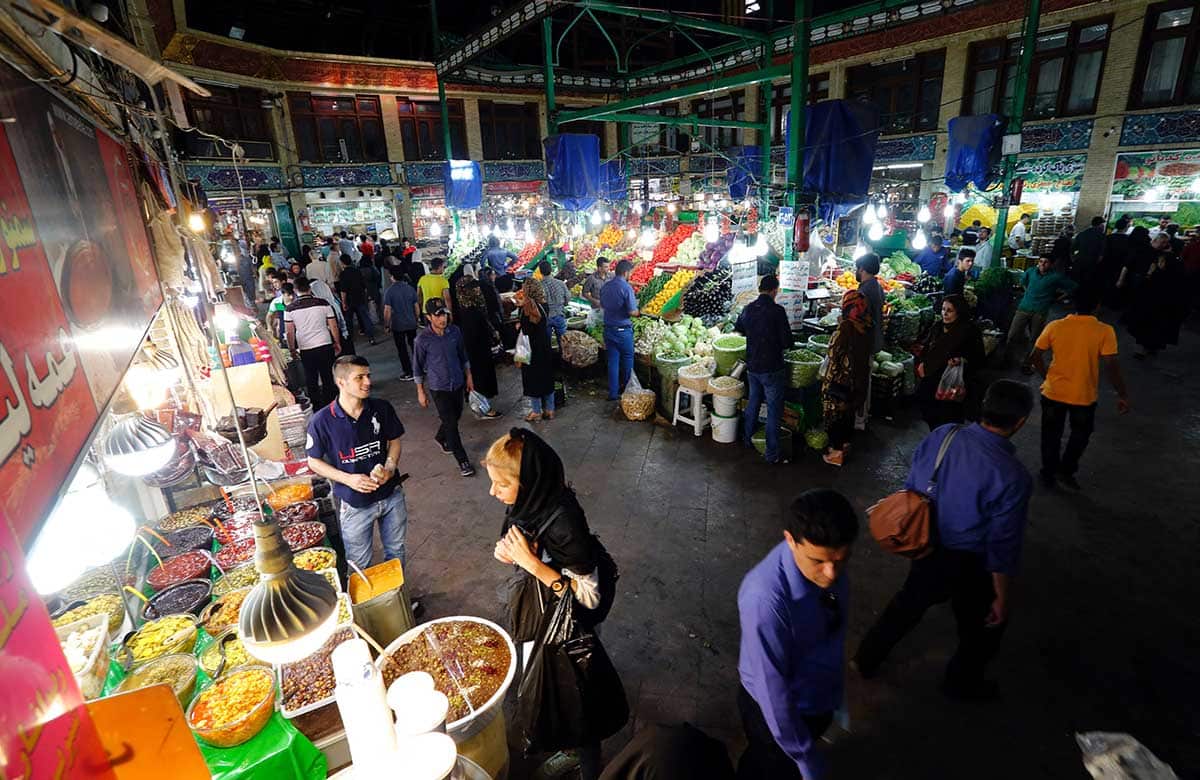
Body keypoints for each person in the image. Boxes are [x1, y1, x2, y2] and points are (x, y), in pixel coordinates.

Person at [854, 380, 1034, 700]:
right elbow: (1003, 542)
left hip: (925, 542)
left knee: (908, 604)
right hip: (968, 560)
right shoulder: (1012, 475)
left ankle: (865, 658)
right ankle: (960, 683)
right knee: (982, 626)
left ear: (983, 405)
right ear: (1020, 422)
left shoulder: (945, 434)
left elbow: (915, 480)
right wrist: (1002, 595)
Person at [486, 428, 619, 780]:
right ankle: (570, 748)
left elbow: (589, 599)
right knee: (554, 688)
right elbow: (518, 542)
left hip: (574, 617)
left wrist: (533, 565)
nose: (493, 492)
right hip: (545, 608)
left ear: (529, 482)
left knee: (578, 693)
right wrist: (509, 553)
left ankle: (588, 765)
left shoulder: (565, 523)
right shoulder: (528, 504)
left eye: (501, 484)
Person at [737, 488, 859, 780]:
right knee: (769, 766)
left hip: (815, 696)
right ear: (790, 540)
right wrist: (804, 757)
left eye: (841, 560)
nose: (831, 574)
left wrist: (834, 693)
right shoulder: (765, 600)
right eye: (818, 561)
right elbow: (774, 693)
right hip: (779, 717)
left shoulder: (830, 568)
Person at [306, 355, 409, 569]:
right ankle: (366, 593)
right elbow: (314, 461)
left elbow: (394, 441)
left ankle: (397, 591)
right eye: (359, 377)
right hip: (355, 504)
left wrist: (390, 467)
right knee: (359, 564)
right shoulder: (322, 421)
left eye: (368, 376)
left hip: (391, 495)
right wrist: (348, 479)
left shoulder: (381, 408)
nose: (368, 382)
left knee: (396, 551)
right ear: (341, 382)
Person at [1030, 290, 1130, 491]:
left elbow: (1035, 355)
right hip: (1084, 396)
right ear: (1097, 306)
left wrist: (1047, 376)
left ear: (1073, 304)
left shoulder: (1055, 326)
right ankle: (1066, 470)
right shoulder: (1104, 331)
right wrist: (1122, 394)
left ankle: (1048, 473)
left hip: (1053, 392)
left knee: (1051, 435)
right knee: (1081, 435)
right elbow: (1111, 365)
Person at [413, 299, 476, 477]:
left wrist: (469, 376)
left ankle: (441, 437)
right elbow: (417, 367)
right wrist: (420, 391)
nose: (443, 319)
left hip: (457, 383)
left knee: (456, 416)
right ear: (428, 317)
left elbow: (463, 355)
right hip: (438, 387)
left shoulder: (454, 332)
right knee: (451, 424)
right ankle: (463, 460)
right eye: (438, 315)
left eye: (444, 314)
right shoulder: (422, 340)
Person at [736, 275, 792, 464]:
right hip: (772, 367)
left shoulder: (748, 308)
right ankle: (772, 453)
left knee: (753, 401)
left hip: (753, 365)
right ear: (775, 290)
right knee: (774, 411)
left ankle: (747, 439)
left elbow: (739, 329)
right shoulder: (778, 311)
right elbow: (787, 342)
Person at [915, 294, 985, 430]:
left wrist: (961, 360)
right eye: (943, 309)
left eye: (950, 310)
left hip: (952, 383)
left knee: (948, 416)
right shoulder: (938, 327)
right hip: (932, 378)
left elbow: (978, 357)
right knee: (930, 412)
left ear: (959, 312)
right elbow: (927, 347)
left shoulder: (969, 331)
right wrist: (922, 363)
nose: (945, 314)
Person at [821, 290, 873, 467]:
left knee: (836, 417)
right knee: (848, 415)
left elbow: (833, 353)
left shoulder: (846, 328)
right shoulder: (866, 325)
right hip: (858, 381)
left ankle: (836, 454)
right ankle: (844, 445)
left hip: (841, 381)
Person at [1006, 254, 1077, 372]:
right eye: (1040, 261)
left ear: (1051, 264)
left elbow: (1073, 287)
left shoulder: (1056, 277)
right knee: (1012, 335)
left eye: (1046, 262)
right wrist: (1028, 292)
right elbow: (1023, 281)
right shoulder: (1031, 271)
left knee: (1034, 340)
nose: (1042, 264)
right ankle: (1007, 361)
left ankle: (1027, 364)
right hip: (1024, 308)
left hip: (1040, 312)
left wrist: (1058, 298)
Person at [1122, 234, 1186, 358]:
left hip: (1151, 298)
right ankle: (1153, 347)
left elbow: (1149, 277)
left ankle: (1143, 349)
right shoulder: (1179, 263)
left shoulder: (1160, 260)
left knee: (1147, 323)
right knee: (1159, 325)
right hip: (1167, 301)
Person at [285, 276, 342, 407]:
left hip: (306, 348)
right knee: (328, 377)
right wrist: (337, 342)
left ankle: (316, 407)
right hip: (325, 344)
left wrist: (292, 349)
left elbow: (289, 332)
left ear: (295, 290)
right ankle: (332, 405)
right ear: (309, 288)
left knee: (311, 379)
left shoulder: (290, 309)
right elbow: (333, 325)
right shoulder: (323, 303)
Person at [456, 278, 502, 418]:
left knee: (480, 378)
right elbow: (473, 335)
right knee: (479, 379)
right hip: (476, 352)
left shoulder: (467, 308)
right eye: (473, 288)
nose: (477, 290)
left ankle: (482, 406)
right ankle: (483, 409)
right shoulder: (469, 312)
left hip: (479, 350)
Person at [517, 279, 556, 421]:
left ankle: (536, 411)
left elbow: (527, 330)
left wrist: (520, 325)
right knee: (546, 375)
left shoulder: (526, 308)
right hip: (544, 345)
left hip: (530, 348)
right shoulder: (544, 305)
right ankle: (550, 410)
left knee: (532, 378)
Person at [600, 259, 639, 400]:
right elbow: (632, 311)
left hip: (608, 329)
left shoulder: (605, 286)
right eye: (630, 273)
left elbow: (602, 305)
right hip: (623, 332)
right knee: (627, 359)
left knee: (613, 361)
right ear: (626, 272)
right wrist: (638, 312)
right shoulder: (626, 288)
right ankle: (628, 392)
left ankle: (613, 393)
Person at [383, 266, 420, 380]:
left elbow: (387, 311)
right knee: (414, 346)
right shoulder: (410, 288)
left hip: (398, 325)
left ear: (392, 277)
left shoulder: (389, 291)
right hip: (411, 323)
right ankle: (420, 369)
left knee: (402, 349)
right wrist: (416, 319)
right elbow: (416, 307)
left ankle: (408, 372)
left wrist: (386, 325)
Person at [338, 254, 377, 345]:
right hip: (360, 297)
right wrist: (366, 296)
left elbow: (343, 290)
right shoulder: (357, 271)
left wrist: (343, 302)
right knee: (365, 318)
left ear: (342, 263)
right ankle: (371, 337)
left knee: (349, 320)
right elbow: (364, 286)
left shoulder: (343, 274)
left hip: (349, 300)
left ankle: (350, 339)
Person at [539, 260, 570, 350]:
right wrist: (564, 304)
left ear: (540, 272)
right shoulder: (560, 283)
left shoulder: (538, 286)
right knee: (563, 342)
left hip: (545, 317)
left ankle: (549, 357)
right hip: (559, 314)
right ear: (551, 270)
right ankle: (563, 356)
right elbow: (568, 297)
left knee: (546, 343)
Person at [1072, 216, 1106, 286]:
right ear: (1100, 225)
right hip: (1091, 265)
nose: (1103, 227)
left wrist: (1074, 259)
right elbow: (1101, 256)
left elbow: (1072, 249)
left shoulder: (1081, 234)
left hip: (1079, 263)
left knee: (1077, 284)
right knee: (1087, 285)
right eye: (1103, 224)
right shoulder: (1102, 236)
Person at [360, 255, 384, 325]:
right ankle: (380, 318)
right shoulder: (373, 269)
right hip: (374, 288)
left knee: (368, 306)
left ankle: (371, 321)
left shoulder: (359, 270)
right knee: (378, 305)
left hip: (365, 290)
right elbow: (378, 278)